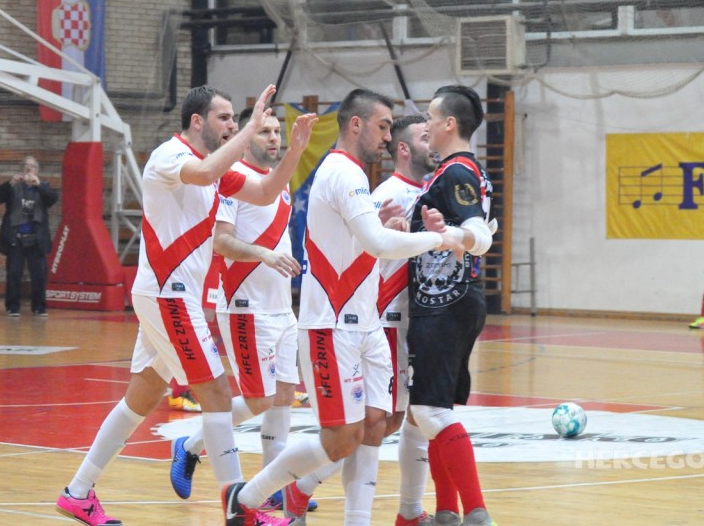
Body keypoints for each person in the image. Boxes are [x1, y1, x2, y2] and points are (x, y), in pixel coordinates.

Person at [55, 84, 316, 526]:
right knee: (215, 393)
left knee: (141, 397)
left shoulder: (217, 168)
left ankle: (77, 493)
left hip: (173, 297)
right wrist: (250, 129)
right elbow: (204, 172)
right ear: (198, 122)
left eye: (236, 119)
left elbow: (268, 192)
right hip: (168, 295)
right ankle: (241, 510)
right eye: (225, 118)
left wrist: (295, 151)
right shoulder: (169, 156)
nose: (234, 125)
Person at [221, 89, 464, 526]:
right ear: (357, 125)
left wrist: (384, 229)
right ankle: (247, 496)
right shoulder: (341, 171)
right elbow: (378, 244)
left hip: (364, 325)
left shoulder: (354, 176)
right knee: (341, 437)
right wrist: (441, 238)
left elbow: (363, 247)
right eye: (383, 126)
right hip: (331, 325)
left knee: (374, 426)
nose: (388, 138)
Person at [169, 106, 317, 513]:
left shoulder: (278, 185)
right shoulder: (231, 185)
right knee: (258, 401)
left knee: (284, 395)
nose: (273, 138)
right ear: (246, 137)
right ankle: (191, 444)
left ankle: (275, 483)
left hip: (281, 307)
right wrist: (264, 256)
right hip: (246, 308)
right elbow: (222, 241)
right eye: (265, 131)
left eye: (277, 132)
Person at [406, 85, 497, 526]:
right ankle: (445, 513)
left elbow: (478, 231)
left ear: (449, 124)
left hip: (445, 303)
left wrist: (456, 236)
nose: (424, 124)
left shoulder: (457, 172)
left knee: (426, 410)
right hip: (452, 300)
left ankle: (477, 513)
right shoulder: (460, 172)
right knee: (431, 410)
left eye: (428, 116)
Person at [371, 115, 439, 526]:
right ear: (402, 148)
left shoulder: (431, 189)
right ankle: (300, 486)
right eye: (423, 137)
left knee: (415, 413)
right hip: (388, 317)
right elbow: (363, 255)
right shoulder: (386, 194)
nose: (431, 143)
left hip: (419, 319)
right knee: (382, 421)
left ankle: (410, 513)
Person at [0, 156, 58, 317]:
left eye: (32, 166)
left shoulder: (43, 187)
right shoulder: (14, 187)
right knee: (14, 273)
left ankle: (39, 306)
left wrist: (39, 185)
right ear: (21, 169)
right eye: (26, 166)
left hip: (36, 239)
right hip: (16, 237)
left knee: (39, 275)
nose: (29, 169)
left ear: (37, 170)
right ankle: (13, 306)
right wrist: (10, 183)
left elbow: (53, 198)